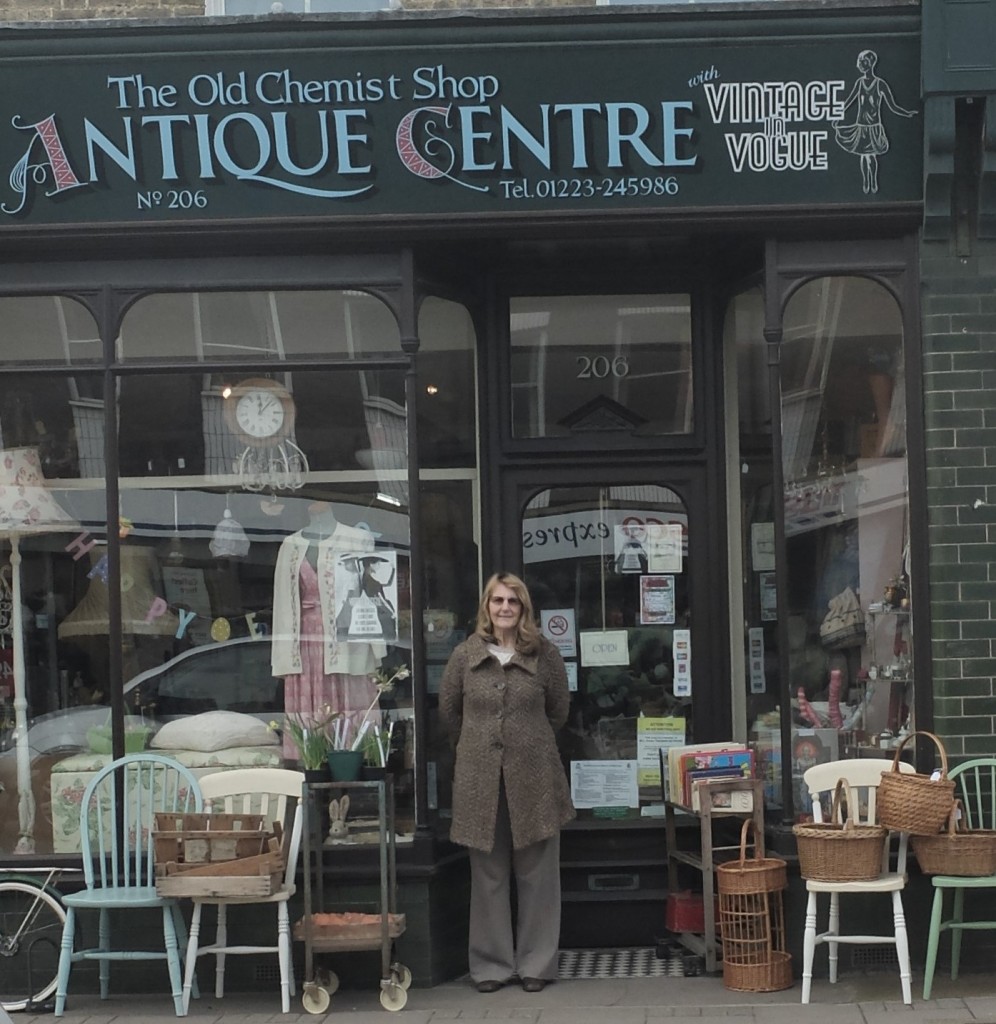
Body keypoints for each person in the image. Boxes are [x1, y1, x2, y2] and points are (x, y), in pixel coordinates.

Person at [439, 572, 575, 994]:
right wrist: (479, 747)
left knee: (539, 875)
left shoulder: (545, 654)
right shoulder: (465, 656)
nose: (504, 609)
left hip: (534, 777)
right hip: (481, 780)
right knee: (488, 876)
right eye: (497, 601)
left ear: (523, 609)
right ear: (486, 607)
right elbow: (449, 714)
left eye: (512, 602)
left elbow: (559, 711)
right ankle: (492, 966)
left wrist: (525, 741)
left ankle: (536, 964)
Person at [271, 502, 385, 760]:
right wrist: (281, 655)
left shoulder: (357, 539)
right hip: (305, 641)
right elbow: (282, 602)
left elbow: (371, 592)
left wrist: (377, 648)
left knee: (349, 703)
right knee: (311, 715)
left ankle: (352, 765)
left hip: (347, 643)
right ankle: (311, 764)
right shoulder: (289, 545)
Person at [833, 49, 916, 194]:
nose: (860, 64)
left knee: (871, 156)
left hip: (874, 127)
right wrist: (837, 115)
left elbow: (892, 105)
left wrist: (907, 113)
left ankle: (873, 181)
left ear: (870, 64)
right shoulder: (860, 83)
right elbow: (848, 101)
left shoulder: (880, 84)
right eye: (859, 62)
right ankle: (866, 181)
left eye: (863, 62)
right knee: (864, 156)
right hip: (862, 126)